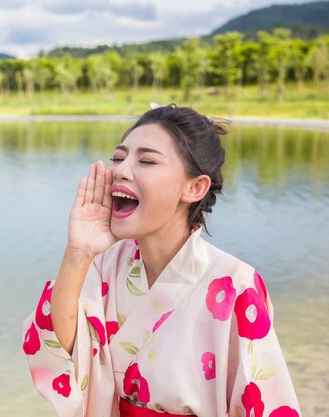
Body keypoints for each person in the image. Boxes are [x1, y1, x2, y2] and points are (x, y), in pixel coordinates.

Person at [21, 104, 300, 417]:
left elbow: (266, 402)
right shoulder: (104, 265)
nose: (121, 170)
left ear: (194, 187)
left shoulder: (235, 285)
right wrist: (78, 253)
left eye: (147, 161)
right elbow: (58, 348)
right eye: (118, 157)